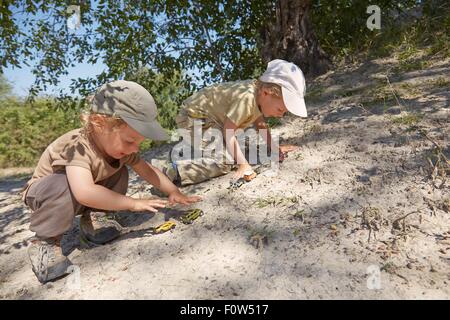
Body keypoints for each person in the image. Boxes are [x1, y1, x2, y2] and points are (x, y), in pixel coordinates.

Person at [22, 80, 201, 283]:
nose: (134, 148)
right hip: (46, 194)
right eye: (129, 141)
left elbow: (147, 170)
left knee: (120, 170)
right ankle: (44, 243)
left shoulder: (118, 150)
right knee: (64, 183)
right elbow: (84, 192)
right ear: (99, 124)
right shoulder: (77, 146)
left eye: (139, 143)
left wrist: (173, 191)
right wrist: (133, 203)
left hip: (77, 195)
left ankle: (97, 217)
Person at [153, 59, 307, 186]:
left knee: (240, 146)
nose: (281, 115)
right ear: (266, 93)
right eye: (280, 109)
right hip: (194, 119)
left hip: (212, 119)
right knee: (225, 161)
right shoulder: (246, 99)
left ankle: (191, 148)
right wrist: (243, 164)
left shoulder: (258, 95)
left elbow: (260, 124)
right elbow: (229, 131)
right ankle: (170, 171)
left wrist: (274, 148)